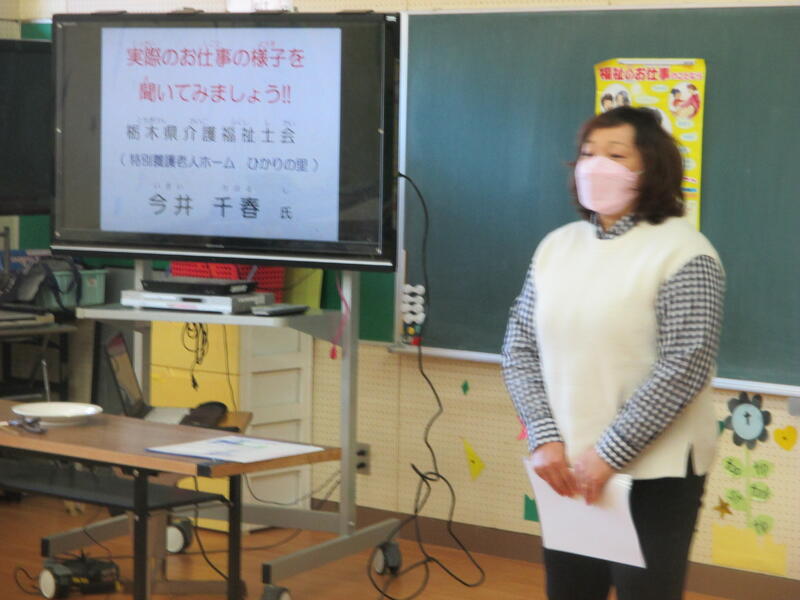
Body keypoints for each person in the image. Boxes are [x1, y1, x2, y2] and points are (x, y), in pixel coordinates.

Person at [502, 106, 724, 600]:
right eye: (587, 154)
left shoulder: (685, 252)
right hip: (566, 467)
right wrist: (543, 437)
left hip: (655, 473)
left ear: (651, 168)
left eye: (616, 154)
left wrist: (608, 454)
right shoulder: (556, 247)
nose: (595, 165)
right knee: (570, 591)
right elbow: (518, 347)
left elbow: (683, 367)